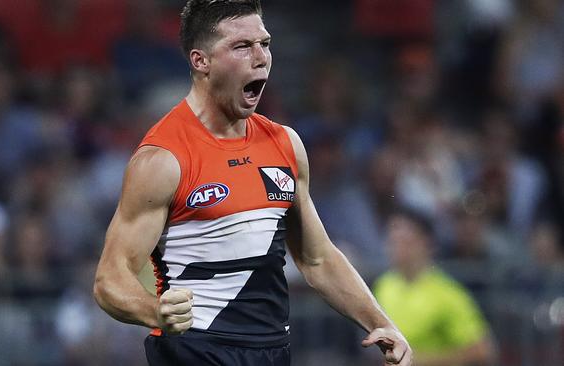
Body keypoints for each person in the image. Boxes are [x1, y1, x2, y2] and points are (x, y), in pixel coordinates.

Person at [93, 1, 412, 365]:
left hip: (272, 352)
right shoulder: (163, 160)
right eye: (242, 46)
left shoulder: (286, 145)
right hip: (195, 350)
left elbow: (318, 258)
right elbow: (109, 280)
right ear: (201, 61)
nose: (260, 58)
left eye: (265, 43)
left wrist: (383, 323)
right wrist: (154, 311)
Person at [374, 207, 495, 366]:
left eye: (405, 241)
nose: (396, 248)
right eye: (392, 241)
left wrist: (419, 360)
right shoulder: (383, 285)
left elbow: (483, 351)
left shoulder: (448, 293)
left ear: (426, 243)